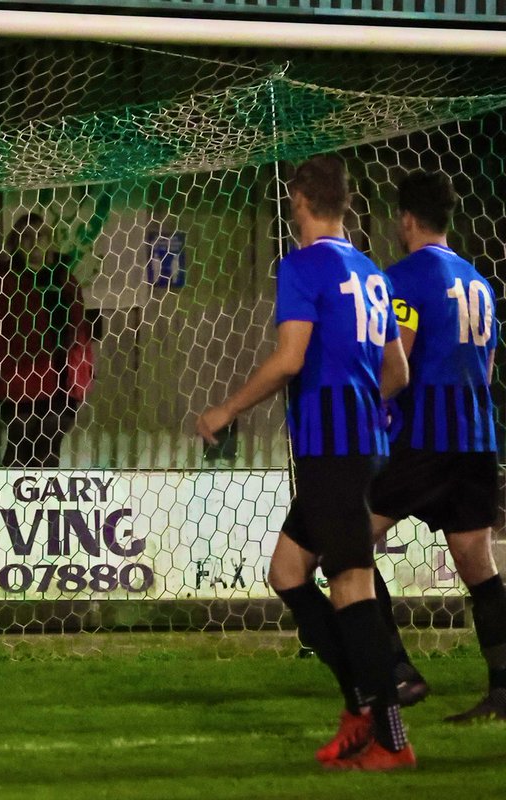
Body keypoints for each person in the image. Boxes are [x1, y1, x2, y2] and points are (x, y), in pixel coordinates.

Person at [197, 155, 415, 770]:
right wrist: (359, 403)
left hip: (333, 453)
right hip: (363, 446)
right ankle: (358, 703)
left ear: (297, 201)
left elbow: (290, 359)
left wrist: (225, 410)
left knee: (350, 584)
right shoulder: (373, 272)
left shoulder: (301, 265)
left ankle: (390, 734)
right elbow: (396, 372)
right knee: (288, 573)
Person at [366, 171, 506, 723]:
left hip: (424, 441)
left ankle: (399, 672)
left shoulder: (403, 279)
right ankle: (501, 692)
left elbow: (396, 366)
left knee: (347, 542)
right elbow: (486, 368)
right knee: (479, 567)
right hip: (477, 441)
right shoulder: (480, 284)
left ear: (405, 219)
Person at [0, 212, 94, 468]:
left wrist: (81, 377)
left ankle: (43, 506)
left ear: (51, 241)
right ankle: (7, 506)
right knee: (19, 449)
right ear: (15, 243)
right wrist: (4, 375)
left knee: (48, 450)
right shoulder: (2, 282)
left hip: (62, 383)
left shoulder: (66, 280)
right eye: (26, 238)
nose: (34, 244)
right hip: (20, 384)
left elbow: (79, 332)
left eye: (41, 237)